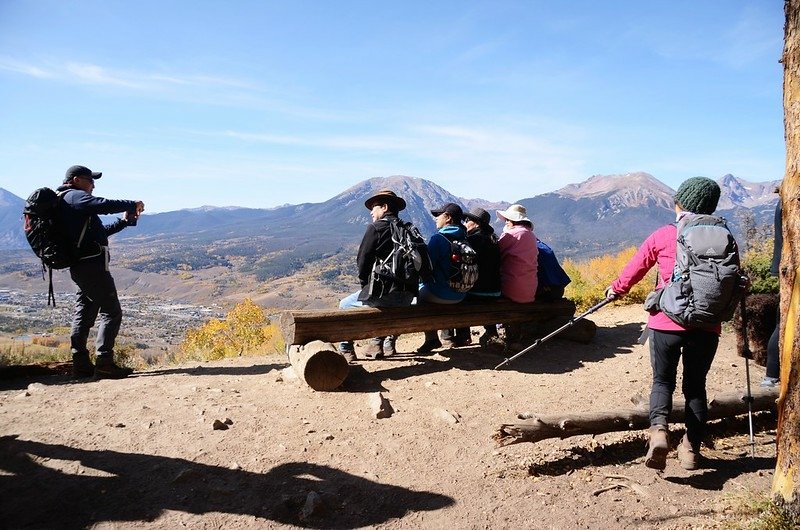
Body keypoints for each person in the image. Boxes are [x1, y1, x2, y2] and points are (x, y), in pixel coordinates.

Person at [606, 176, 728, 471]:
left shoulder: (664, 234)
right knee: (696, 387)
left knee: (663, 381)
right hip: (706, 324)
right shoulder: (725, 235)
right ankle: (691, 449)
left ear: (680, 203)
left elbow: (635, 268)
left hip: (666, 322)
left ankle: (659, 431)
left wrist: (616, 289)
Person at [57, 165, 144, 379]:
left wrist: (123, 222)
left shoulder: (67, 202)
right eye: (90, 180)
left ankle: (81, 364)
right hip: (92, 267)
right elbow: (102, 205)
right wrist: (131, 203)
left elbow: (98, 233)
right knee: (111, 311)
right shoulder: (74, 197)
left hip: (82, 266)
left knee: (85, 312)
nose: (93, 185)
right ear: (76, 180)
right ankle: (104, 363)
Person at [338, 190, 413, 361]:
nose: (371, 212)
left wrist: (366, 285)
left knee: (344, 305)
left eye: (374, 208)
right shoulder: (409, 229)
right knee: (393, 308)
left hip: (383, 296)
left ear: (384, 207)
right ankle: (387, 343)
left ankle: (346, 350)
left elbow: (362, 261)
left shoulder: (376, 228)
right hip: (407, 297)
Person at [444, 207, 502, 346]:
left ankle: (463, 335)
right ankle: (491, 332)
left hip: (477, 292)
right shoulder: (494, 241)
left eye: (467, 220)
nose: (465, 223)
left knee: (459, 293)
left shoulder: (470, 241)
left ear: (476, 223)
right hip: (496, 292)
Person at [416, 203, 469, 353]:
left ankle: (431, 339)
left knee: (419, 295)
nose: (435, 219)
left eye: (438, 216)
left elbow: (426, 268)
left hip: (441, 294)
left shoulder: (438, 239)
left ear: (448, 218)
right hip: (461, 294)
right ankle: (448, 336)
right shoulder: (466, 237)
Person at [496, 204, 538, 303]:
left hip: (510, 290)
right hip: (530, 292)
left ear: (513, 220)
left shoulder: (511, 234)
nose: (506, 222)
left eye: (507, 220)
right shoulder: (531, 235)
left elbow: (496, 252)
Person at [762, 187, 782, 388]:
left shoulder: (786, 197)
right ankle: (772, 375)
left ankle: (771, 375)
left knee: (782, 321)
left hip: (785, 265)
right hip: (792, 267)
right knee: (783, 321)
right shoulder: (793, 196)